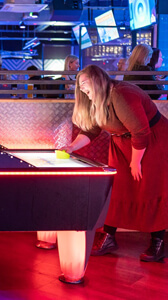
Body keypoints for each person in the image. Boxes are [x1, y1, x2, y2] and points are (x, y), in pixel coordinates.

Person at [62, 64, 167, 262]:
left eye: (85, 84)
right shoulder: (97, 98)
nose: (83, 89)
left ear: (97, 80)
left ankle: (158, 242)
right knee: (117, 189)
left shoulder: (121, 94)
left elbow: (141, 132)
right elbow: (91, 130)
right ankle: (109, 237)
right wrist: (71, 148)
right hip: (122, 144)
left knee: (151, 188)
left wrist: (136, 162)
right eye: (80, 86)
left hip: (153, 143)